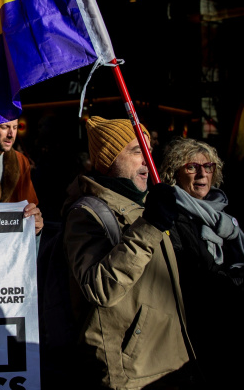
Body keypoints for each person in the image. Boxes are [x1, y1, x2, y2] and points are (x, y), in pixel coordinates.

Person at [61, 116, 195, 389]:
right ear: (108, 160)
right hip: (129, 373)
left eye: (149, 150)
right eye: (137, 151)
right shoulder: (86, 213)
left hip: (169, 361)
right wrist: (150, 226)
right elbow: (100, 288)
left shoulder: (146, 204)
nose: (147, 159)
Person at [159, 136, 244, 388]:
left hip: (230, 321)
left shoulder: (221, 214)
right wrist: (235, 282)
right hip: (200, 329)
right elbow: (194, 272)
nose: (202, 174)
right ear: (175, 173)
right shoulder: (170, 214)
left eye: (208, 166)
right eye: (192, 167)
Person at [0, 119, 39, 205]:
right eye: (4, 127)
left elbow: (29, 203)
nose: (11, 134)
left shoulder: (21, 160)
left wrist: (33, 211)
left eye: (15, 127)